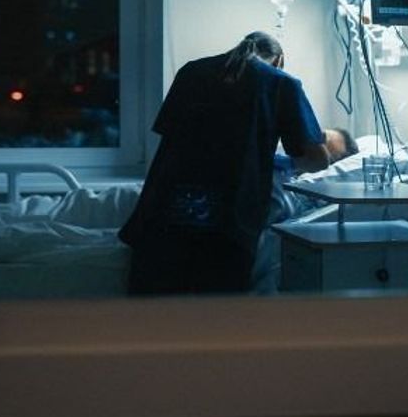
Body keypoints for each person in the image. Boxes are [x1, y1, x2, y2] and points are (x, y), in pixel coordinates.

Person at [121, 31, 342, 295]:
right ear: (279, 61)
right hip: (226, 229)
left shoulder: (191, 72)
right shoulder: (281, 83)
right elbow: (318, 160)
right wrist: (283, 162)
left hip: (161, 218)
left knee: (151, 315)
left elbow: (171, 138)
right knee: (215, 316)